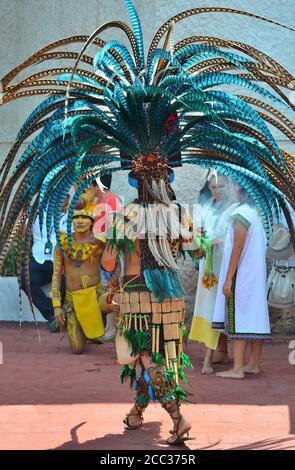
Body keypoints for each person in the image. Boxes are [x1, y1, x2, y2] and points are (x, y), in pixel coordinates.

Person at [101, 154, 210, 445]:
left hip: (138, 299)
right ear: (166, 181)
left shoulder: (127, 215)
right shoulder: (177, 213)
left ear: (138, 183)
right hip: (172, 299)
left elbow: (109, 263)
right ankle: (137, 411)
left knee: (148, 360)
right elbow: (199, 251)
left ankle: (177, 418)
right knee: (158, 361)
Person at [212, 185, 271, 378]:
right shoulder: (253, 213)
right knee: (255, 317)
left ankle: (237, 368)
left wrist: (229, 278)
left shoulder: (241, 214)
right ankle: (253, 364)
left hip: (243, 275)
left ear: (239, 191)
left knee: (240, 317)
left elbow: (238, 246)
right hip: (254, 275)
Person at [189, 172, 237, 373]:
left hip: (223, 265)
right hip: (207, 266)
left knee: (218, 308)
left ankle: (212, 356)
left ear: (229, 186)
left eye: (221, 186)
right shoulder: (204, 206)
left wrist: (220, 241)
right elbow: (195, 234)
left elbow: (236, 239)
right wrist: (204, 241)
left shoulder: (235, 208)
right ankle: (214, 354)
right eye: (213, 187)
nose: (217, 190)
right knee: (208, 306)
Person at [52, 206, 115, 354]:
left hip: (96, 295)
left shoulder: (100, 244)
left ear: (92, 221)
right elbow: (55, 276)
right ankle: (83, 327)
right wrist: (56, 305)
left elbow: (114, 266)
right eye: (76, 218)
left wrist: (115, 280)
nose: (79, 221)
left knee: (115, 301)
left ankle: (118, 337)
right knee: (77, 349)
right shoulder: (62, 244)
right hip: (73, 301)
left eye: (84, 217)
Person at [77, 174, 122, 341]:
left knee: (111, 289)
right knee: (105, 289)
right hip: (100, 254)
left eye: (92, 185)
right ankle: (108, 327)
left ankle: (112, 329)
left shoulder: (112, 201)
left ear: (98, 186)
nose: (91, 189)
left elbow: (114, 230)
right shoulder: (101, 202)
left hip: (109, 254)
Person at [21, 195, 70, 332]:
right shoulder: (37, 214)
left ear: (68, 199)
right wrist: (22, 214)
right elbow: (23, 234)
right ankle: (52, 315)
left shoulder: (70, 216)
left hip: (60, 262)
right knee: (25, 278)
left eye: (64, 196)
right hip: (39, 260)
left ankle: (63, 315)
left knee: (68, 279)